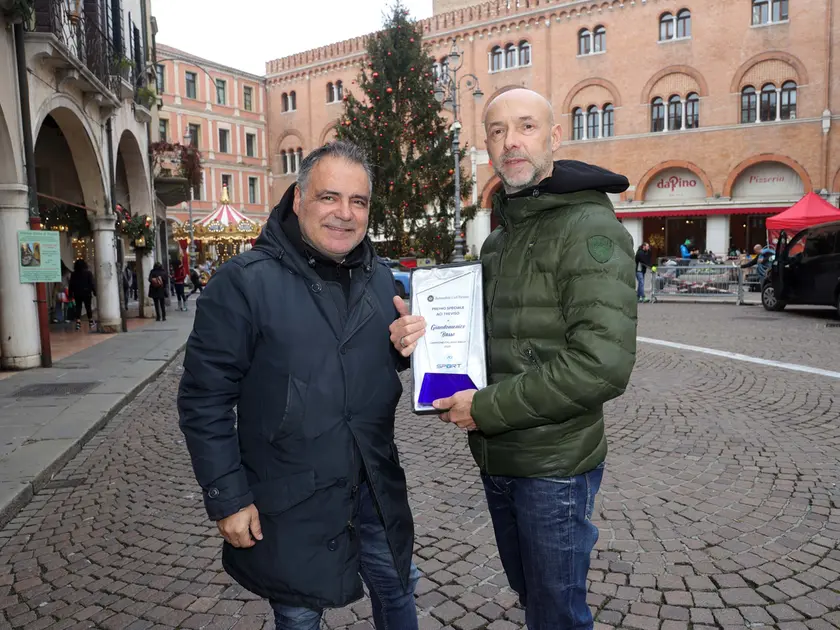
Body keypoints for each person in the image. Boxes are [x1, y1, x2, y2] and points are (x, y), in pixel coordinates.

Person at [391, 88, 637, 630]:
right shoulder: (499, 243)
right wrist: (420, 337)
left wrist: (488, 409)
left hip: (555, 464)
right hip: (500, 458)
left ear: (553, 137)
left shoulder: (589, 229)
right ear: (487, 146)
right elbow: (483, 340)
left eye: (525, 127)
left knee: (556, 615)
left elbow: (602, 364)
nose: (511, 141)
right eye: (498, 131)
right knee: (532, 597)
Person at [178, 141, 419, 630]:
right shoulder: (242, 283)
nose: (345, 214)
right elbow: (205, 399)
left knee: (397, 589)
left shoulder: (381, 279)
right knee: (298, 612)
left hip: (374, 485)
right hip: (289, 497)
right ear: (298, 199)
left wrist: (403, 346)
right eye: (330, 197)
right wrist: (228, 497)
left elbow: (365, 363)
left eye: (359, 201)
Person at [68, 259, 96, 332]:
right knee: (88, 307)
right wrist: (94, 291)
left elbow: (71, 285)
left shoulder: (73, 274)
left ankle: (78, 322)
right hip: (87, 293)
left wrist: (70, 294)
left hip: (77, 293)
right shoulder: (88, 273)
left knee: (78, 307)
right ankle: (90, 321)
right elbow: (92, 283)